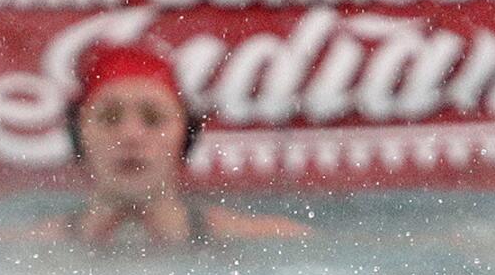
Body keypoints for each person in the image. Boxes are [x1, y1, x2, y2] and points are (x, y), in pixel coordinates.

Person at [30, 43, 308, 246]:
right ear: (79, 135)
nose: (131, 136)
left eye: (153, 119)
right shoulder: (25, 248)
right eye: (109, 118)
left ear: (185, 137)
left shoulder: (270, 240)